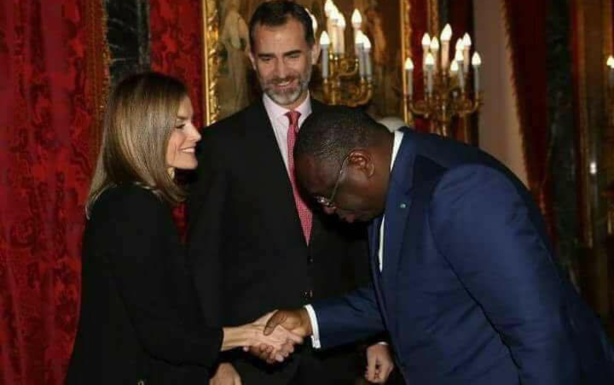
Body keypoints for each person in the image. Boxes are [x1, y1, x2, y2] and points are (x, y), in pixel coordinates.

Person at [261, 109, 614, 384]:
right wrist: (309, 319)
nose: (327, 211)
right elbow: (406, 294)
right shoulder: (390, 189)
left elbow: (538, 327)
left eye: (328, 196)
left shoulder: (458, 189)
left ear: (360, 163)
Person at [187, 0, 395, 385]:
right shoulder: (219, 145)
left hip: (340, 354)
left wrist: (377, 336)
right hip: (252, 362)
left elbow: (368, 245)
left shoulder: (353, 131)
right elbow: (204, 261)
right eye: (267, 58)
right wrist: (215, 359)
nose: (281, 72)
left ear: (315, 52)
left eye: (293, 55)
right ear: (251, 59)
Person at [66, 72, 300, 384]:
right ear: (146, 132)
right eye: (179, 126)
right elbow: (164, 335)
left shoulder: (135, 203)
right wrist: (250, 334)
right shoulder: (132, 208)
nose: (195, 134)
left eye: (190, 122)